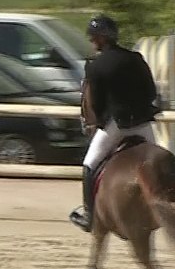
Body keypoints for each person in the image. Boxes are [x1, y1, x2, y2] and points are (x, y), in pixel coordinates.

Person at [69, 14, 160, 232]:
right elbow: (151, 91)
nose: (91, 41)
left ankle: (90, 216)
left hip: (117, 126)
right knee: (161, 162)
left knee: (89, 165)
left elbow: (97, 104)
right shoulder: (135, 58)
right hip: (143, 123)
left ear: (101, 39)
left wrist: (100, 122)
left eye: (93, 38)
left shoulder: (95, 66)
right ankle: (171, 202)